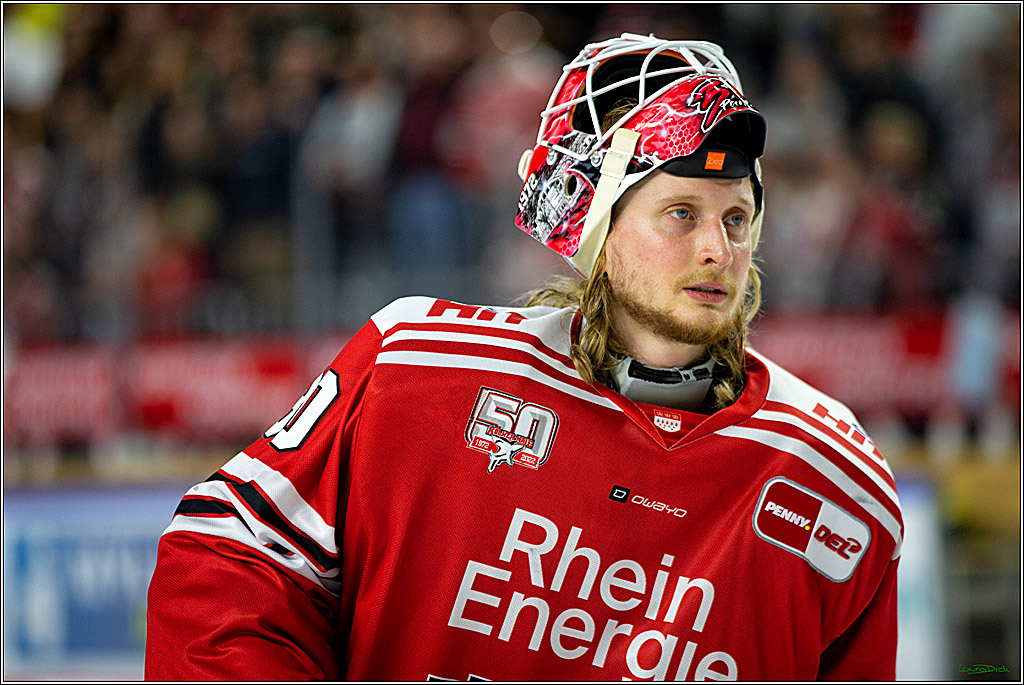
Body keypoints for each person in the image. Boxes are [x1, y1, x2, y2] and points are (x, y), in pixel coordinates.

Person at [145, 33, 903, 681]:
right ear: (598, 229)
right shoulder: (415, 366)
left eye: (738, 218)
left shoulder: (837, 481)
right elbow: (222, 563)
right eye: (681, 213)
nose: (718, 249)